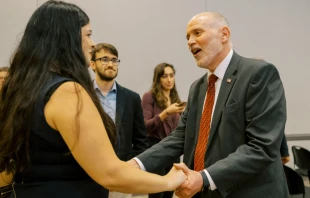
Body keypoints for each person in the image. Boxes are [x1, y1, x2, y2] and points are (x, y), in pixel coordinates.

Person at [0, 1, 186, 198]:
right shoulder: (67, 91)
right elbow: (109, 174)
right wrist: (168, 181)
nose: (92, 43)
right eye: (88, 34)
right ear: (67, 39)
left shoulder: (20, 88)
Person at [129, 12, 289, 198]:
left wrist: (203, 178)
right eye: (187, 37)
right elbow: (181, 136)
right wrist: (136, 164)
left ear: (224, 34)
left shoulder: (258, 74)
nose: (190, 41)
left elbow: (262, 146)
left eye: (197, 33)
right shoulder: (197, 87)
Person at [90, 43, 149, 198]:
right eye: (104, 59)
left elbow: (141, 140)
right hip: (87, 175)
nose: (110, 64)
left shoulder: (132, 98)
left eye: (114, 60)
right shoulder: (81, 94)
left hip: (121, 176)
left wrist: (130, 167)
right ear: (92, 64)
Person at [141, 62, 185, 198]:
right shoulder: (149, 96)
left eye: (172, 75)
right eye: (165, 76)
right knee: (156, 192)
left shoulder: (175, 98)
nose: (169, 79)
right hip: (156, 148)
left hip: (173, 149)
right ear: (158, 78)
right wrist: (166, 112)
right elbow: (145, 125)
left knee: (170, 190)